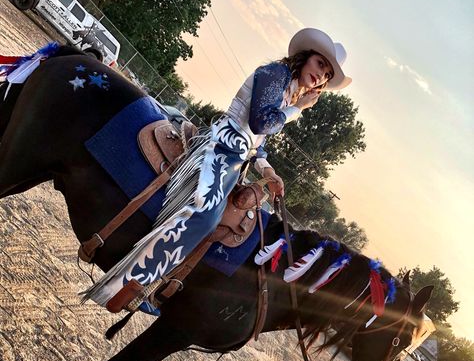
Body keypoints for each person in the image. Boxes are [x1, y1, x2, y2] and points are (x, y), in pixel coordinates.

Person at [83, 27, 352, 310]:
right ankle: (133, 282)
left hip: (238, 155)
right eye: (320, 64)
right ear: (306, 56)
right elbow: (260, 122)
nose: (321, 75)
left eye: (327, 75)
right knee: (205, 215)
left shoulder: (288, 94)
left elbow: (257, 142)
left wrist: (269, 172)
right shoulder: (277, 74)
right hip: (222, 144)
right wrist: (296, 111)